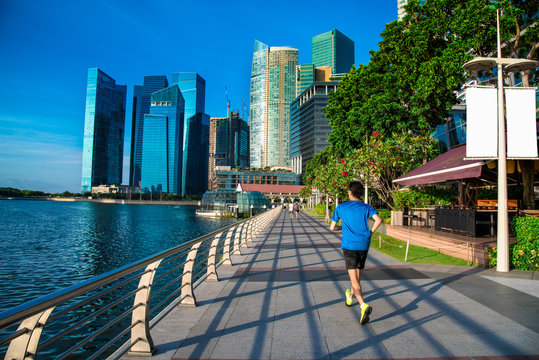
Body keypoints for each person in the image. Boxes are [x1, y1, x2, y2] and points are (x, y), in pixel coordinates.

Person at [330, 181, 382, 325]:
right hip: (364, 244)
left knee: (353, 278)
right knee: (358, 273)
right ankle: (350, 295)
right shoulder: (367, 207)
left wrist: (345, 227)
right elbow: (378, 220)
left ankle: (362, 305)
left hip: (350, 245)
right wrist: (370, 232)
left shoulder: (341, 207)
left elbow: (332, 228)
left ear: (349, 192)